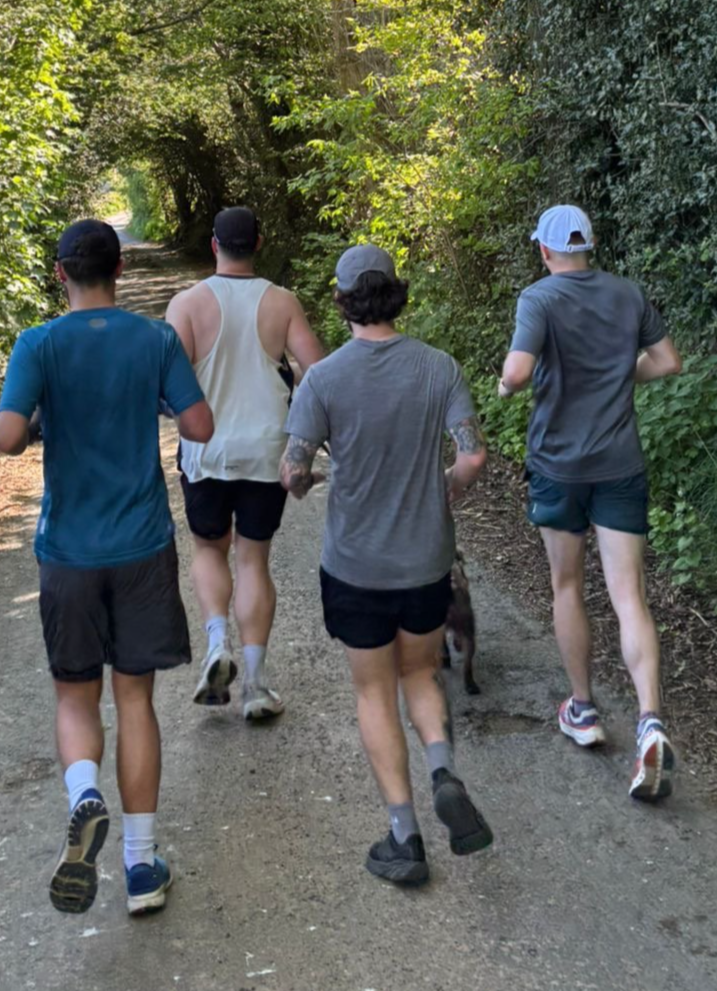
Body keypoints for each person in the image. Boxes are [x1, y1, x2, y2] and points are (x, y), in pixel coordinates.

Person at [0, 219, 213, 917]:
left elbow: (4, 437)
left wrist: (36, 422)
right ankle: (141, 867)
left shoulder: (38, 344)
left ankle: (84, 793)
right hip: (142, 545)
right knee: (136, 700)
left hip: (67, 554)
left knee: (74, 696)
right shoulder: (154, 339)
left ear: (60, 273)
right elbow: (201, 425)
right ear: (119, 268)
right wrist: (154, 396)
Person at [280, 244, 492, 885]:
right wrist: (450, 485)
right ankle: (442, 770)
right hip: (425, 559)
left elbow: (291, 471)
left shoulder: (323, 379)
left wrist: (310, 479)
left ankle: (405, 836)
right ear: (397, 292)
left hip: (356, 564)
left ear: (342, 300)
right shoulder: (439, 367)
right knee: (421, 673)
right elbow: (474, 455)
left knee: (374, 689)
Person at [499, 204, 682, 801]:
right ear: (590, 245)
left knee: (568, 586)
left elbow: (520, 373)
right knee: (630, 596)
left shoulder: (540, 299)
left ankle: (583, 709)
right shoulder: (628, 294)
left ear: (545, 252)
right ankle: (651, 721)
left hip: (559, 467)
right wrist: (617, 376)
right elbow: (668, 362)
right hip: (619, 463)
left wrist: (504, 384)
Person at [165, 206, 323, 719]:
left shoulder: (186, 305)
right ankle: (255, 683)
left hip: (205, 451)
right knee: (254, 558)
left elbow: (169, 386)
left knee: (209, 549)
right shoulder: (282, 302)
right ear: (258, 242)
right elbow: (317, 373)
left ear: (213, 245)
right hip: (266, 451)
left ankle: (216, 645)